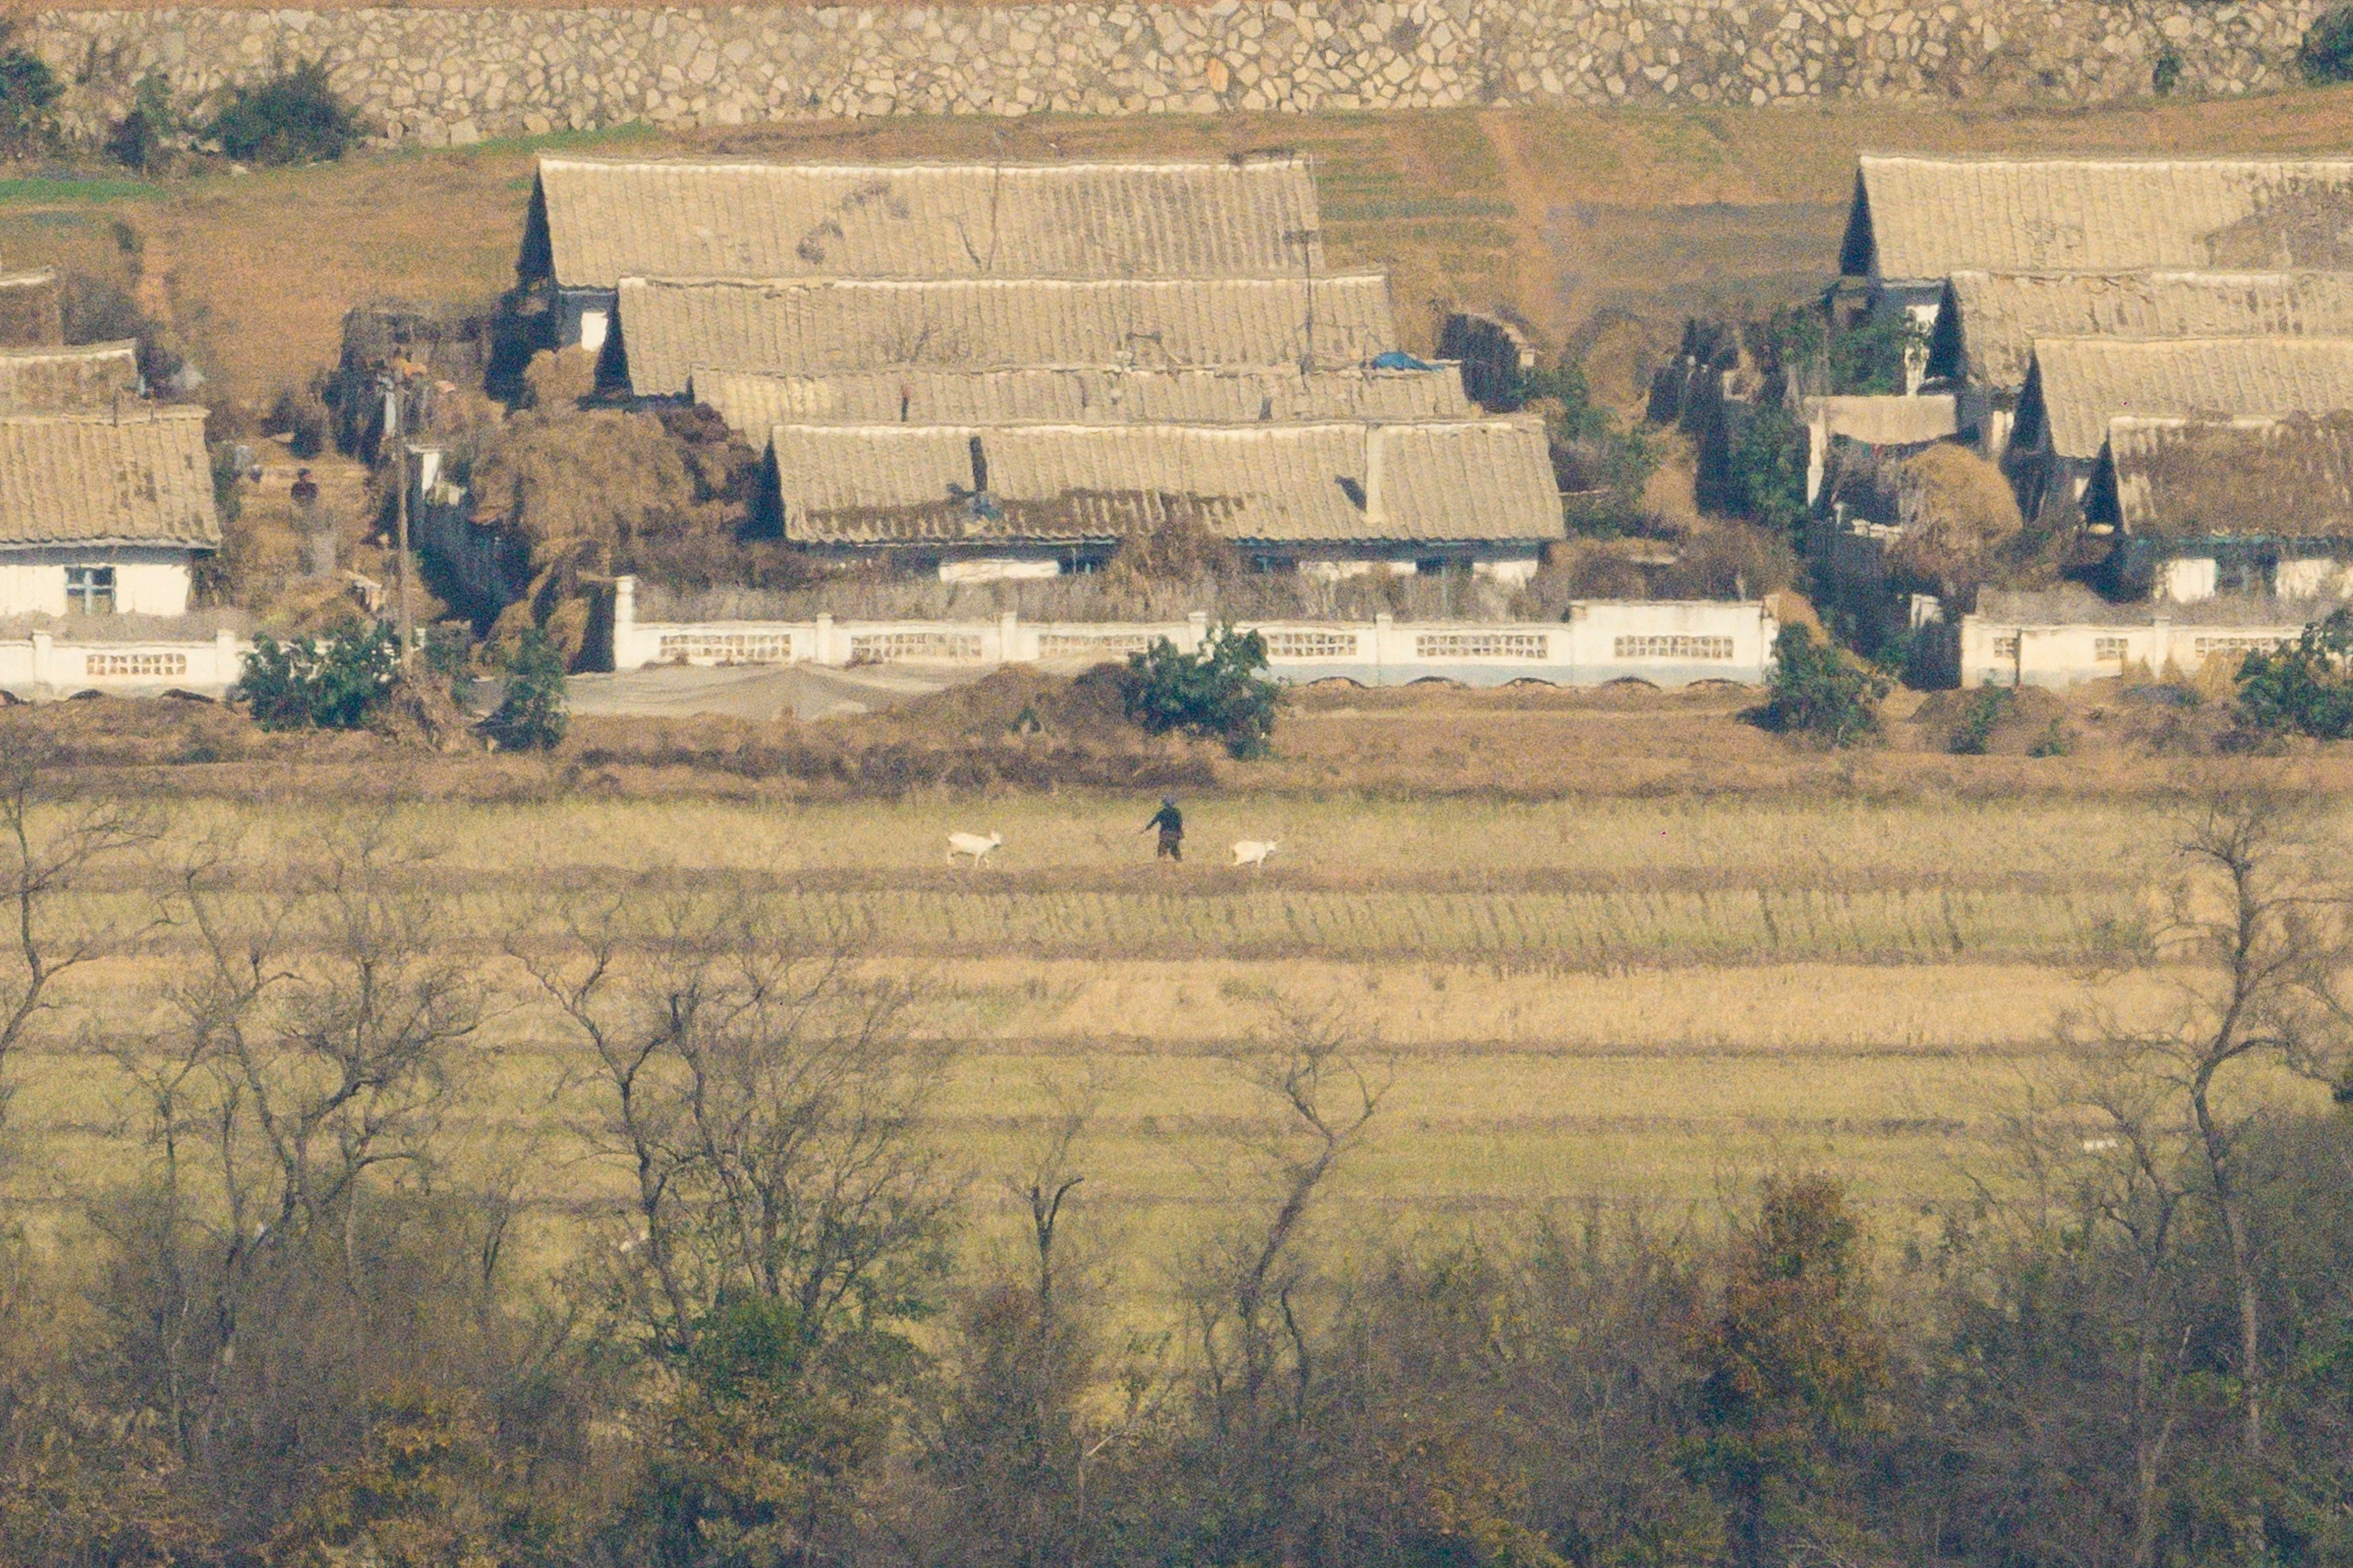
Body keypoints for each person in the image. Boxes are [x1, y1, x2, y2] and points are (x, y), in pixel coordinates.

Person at [1140, 795, 1184, 861]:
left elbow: (1153, 823)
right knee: (1175, 851)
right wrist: (1180, 833)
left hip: (1164, 834)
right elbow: (1179, 824)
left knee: (1161, 853)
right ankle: (1179, 862)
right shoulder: (1177, 812)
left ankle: (1161, 866)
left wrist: (1145, 830)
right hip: (1174, 834)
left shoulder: (1162, 813)